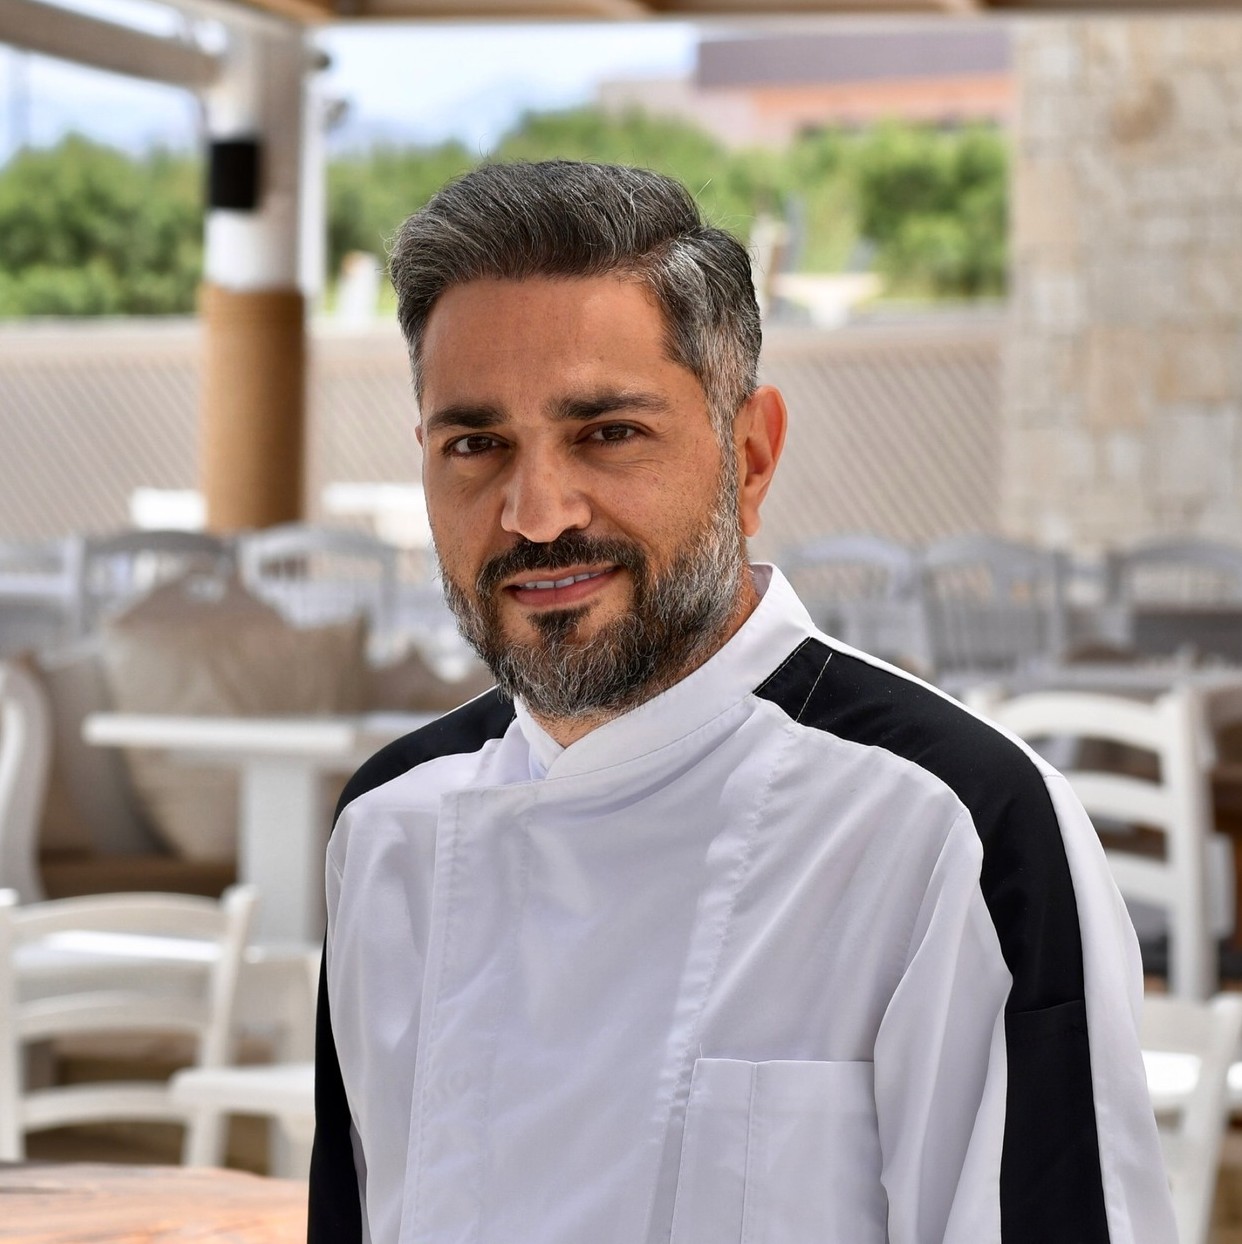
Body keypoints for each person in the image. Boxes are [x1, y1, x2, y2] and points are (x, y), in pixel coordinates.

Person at [309, 160, 1174, 1244]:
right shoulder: (388, 828)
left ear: (750, 455)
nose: (537, 512)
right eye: (476, 445)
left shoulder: (949, 829)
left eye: (608, 431)